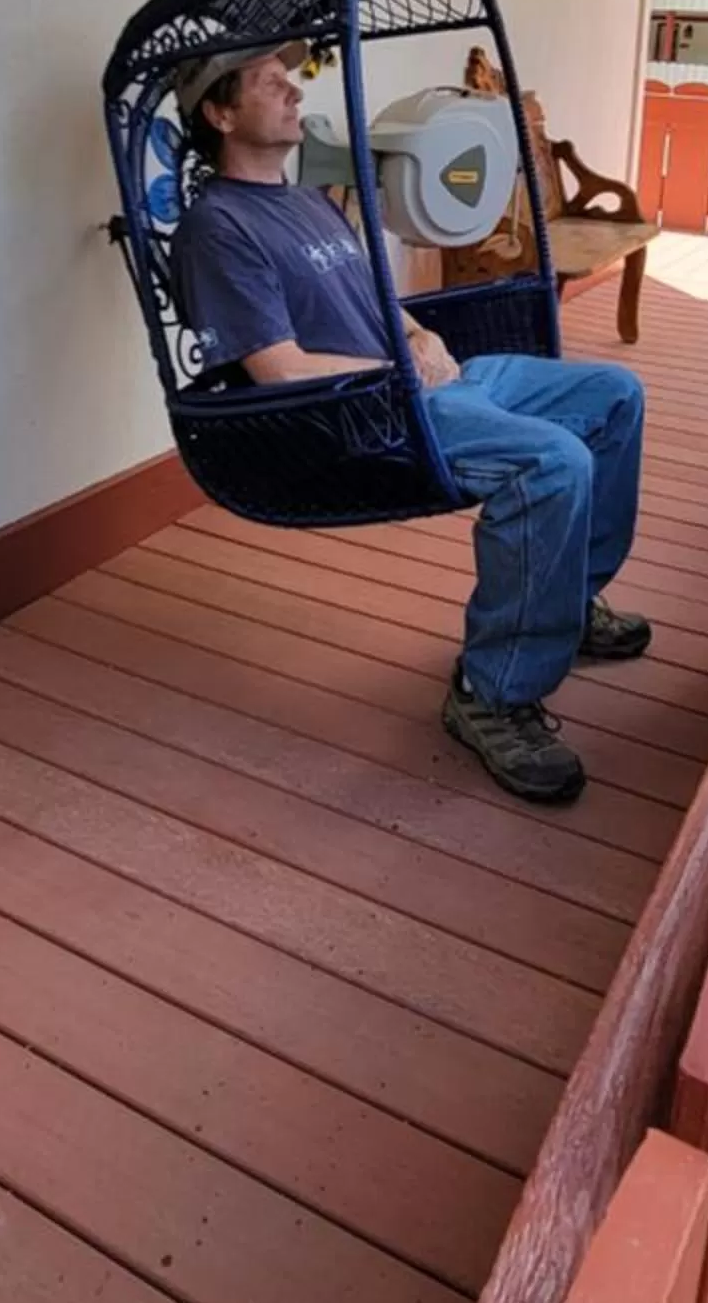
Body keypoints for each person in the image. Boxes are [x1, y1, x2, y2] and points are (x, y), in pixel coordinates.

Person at [170, 45, 651, 807]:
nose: (294, 91)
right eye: (270, 83)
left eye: (289, 77)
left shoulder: (301, 201)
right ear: (220, 114)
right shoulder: (219, 228)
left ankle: (567, 601)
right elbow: (280, 371)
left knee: (615, 393)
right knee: (554, 462)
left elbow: (375, 305)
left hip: (429, 379)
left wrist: (420, 337)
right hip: (374, 415)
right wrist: (400, 372)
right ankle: (489, 694)